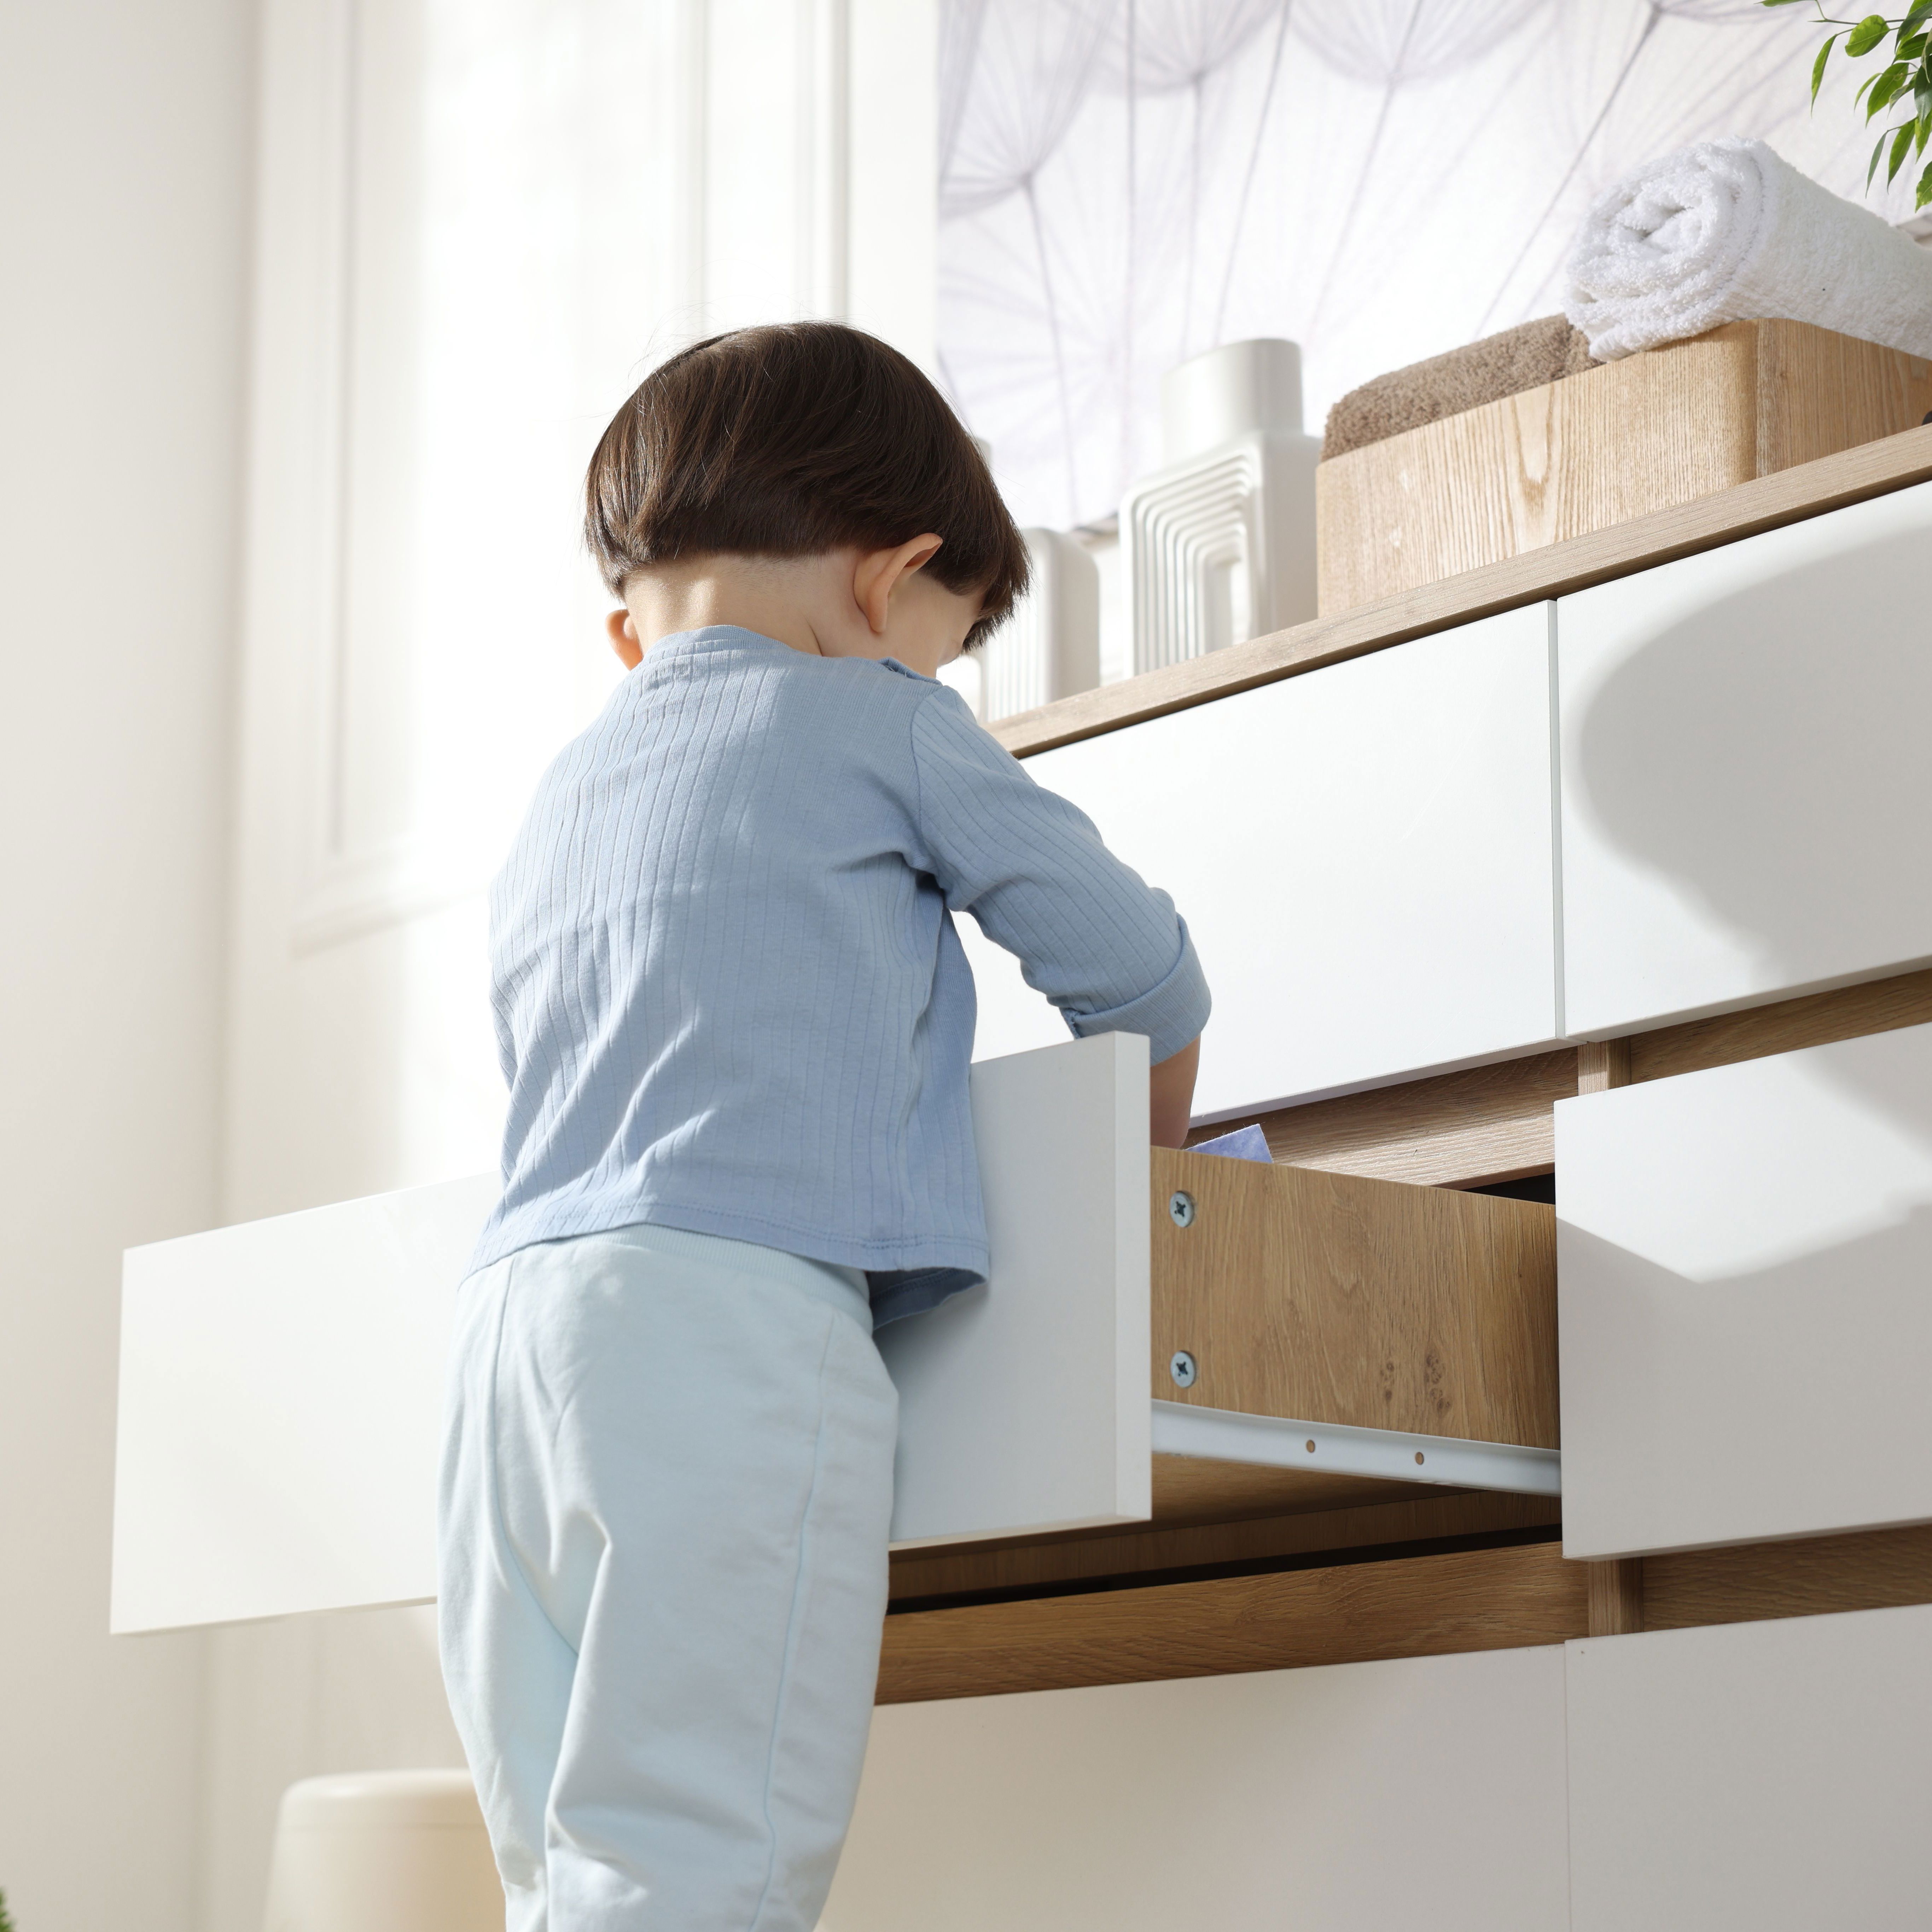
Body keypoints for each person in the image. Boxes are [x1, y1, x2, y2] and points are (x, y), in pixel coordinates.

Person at [437, 321, 1209, 1932]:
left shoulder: (563, 791)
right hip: (727, 1328)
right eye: (939, 649)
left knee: (559, 1874)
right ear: (889, 582)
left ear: (628, 631)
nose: (927, 682)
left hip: (509, 1346)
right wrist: (1151, 1196)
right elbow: (1142, 975)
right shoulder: (874, 718)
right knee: (703, 1856)